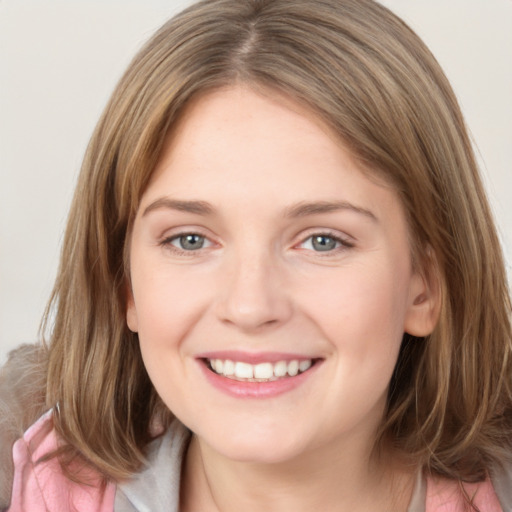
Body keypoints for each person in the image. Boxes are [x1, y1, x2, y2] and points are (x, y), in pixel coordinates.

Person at [1, 0, 511, 510]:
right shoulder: (39, 490)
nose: (249, 306)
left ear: (426, 284)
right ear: (125, 283)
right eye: (190, 239)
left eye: (322, 241)